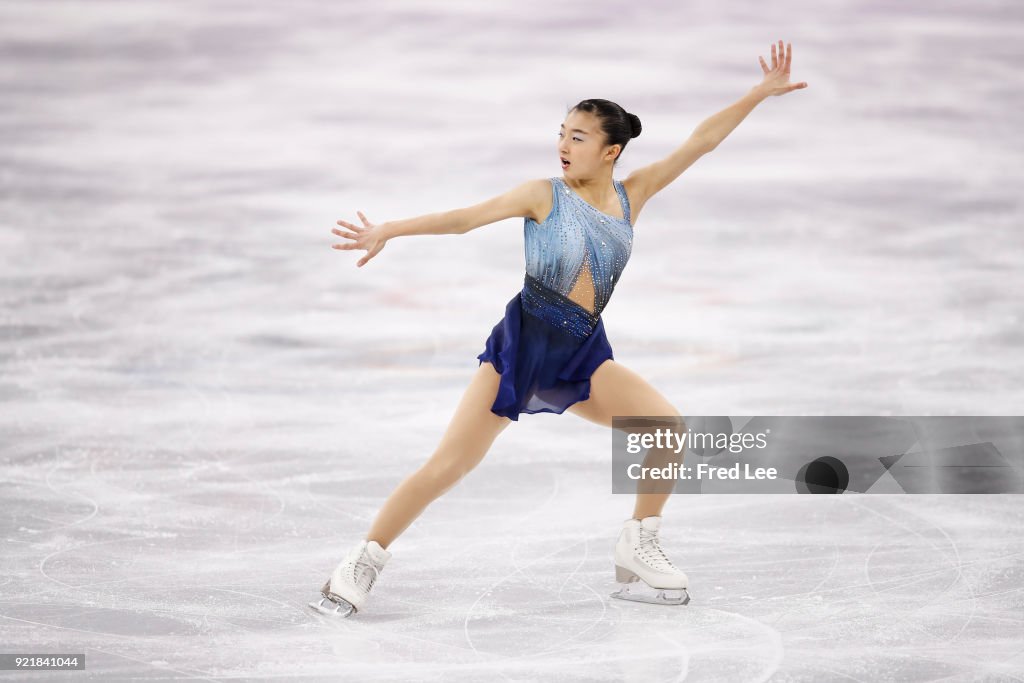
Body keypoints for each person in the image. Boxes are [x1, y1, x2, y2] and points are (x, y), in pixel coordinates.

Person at [312, 41, 808, 616]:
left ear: (611, 151)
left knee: (667, 429)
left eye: (578, 137)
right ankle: (363, 560)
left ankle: (637, 543)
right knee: (450, 464)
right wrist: (390, 229)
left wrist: (757, 93)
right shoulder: (542, 195)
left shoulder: (632, 195)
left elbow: (701, 143)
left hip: (580, 353)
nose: (563, 145)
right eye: (562, 133)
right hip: (523, 347)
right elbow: (465, 220)